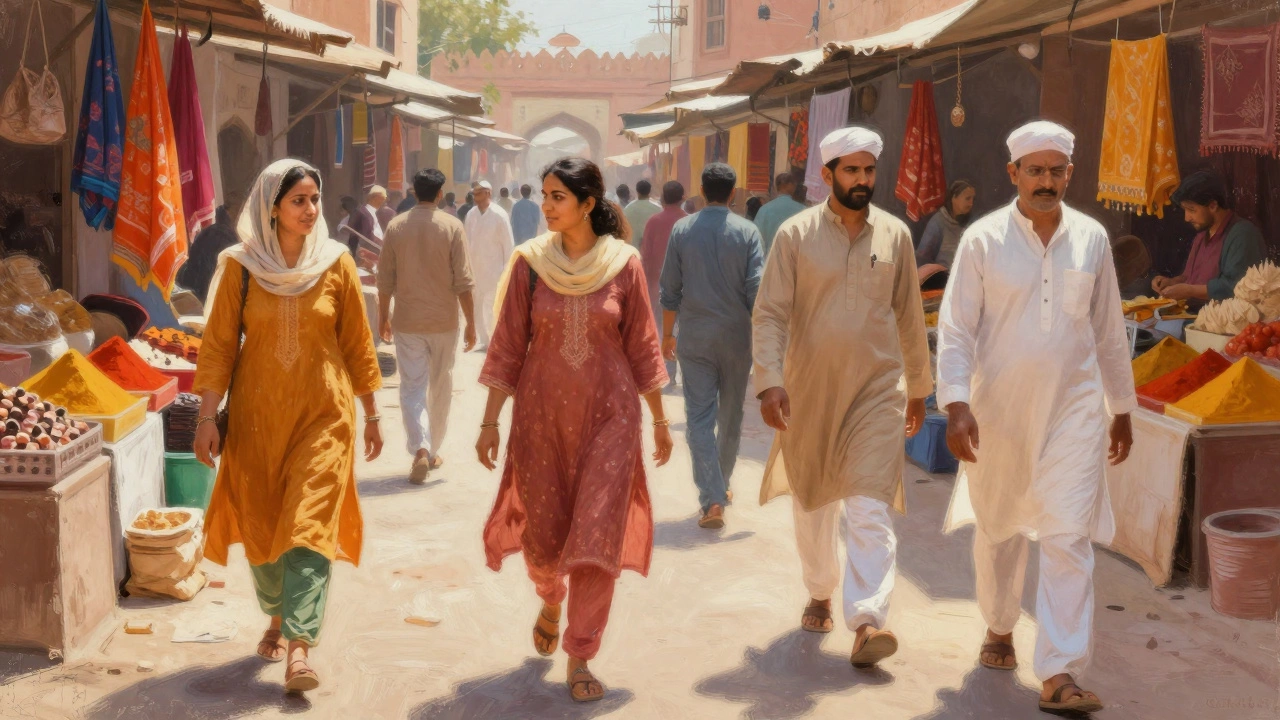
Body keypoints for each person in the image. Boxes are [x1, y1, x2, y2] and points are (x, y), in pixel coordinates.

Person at [936, 120, 1135, 716]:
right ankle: (999, 626)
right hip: (998, 411)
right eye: (1035, 171)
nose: (1045, 182)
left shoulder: (1093, 239)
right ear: (1013, 174)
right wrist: (956, 404)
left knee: (1068, 535)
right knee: (998, 528)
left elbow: (1107, 332)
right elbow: (955, 329)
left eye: (1056, 171)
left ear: (1069, 174)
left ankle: (1059, 670)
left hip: (1074, 411)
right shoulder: (982, 241)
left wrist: (1120, 408)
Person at [474, 157, 670, 703]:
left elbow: (643, 347)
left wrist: (658, 420)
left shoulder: (624, 264)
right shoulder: (530, 265)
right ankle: (549, 597)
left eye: (558, 196)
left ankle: (580, 653)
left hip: (611, 418)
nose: (547, 204)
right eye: (544, 194)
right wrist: (490, 421)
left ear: (588, 204)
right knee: (544, 541)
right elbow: (509, 344)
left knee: (594, 538)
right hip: (541, 421)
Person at [191, 159, 383, 694]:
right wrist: (208, 417)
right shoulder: (240, 267)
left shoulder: (336, 263)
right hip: (256, 421)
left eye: (314, 200)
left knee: (307, 527)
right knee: (263, 523)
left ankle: (299, 647)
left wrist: (372, 413)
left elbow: (357, 345)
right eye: (297, 200)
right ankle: (275, 614)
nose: (309, 209)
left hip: (325, 416)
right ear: (271, 207)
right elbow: (218, 349)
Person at [753, 127, 931, 669]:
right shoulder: (795, 235)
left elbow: (908, 316)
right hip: (808, 390)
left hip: (877, 392)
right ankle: (820, 588)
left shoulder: (895, 235)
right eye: (850, 171)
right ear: (826, 175)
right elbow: (771, 312)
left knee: (869, 504)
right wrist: (769, 379)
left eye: (868, 171)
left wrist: (920, 389)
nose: (861, 180)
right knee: (813, 503)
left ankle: (868, 621)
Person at [660, 165, 763, 529]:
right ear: (733, 193)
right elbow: (756, 291)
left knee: (699, 420)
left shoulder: (682, 230)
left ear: (702, 191)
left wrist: (668, 335)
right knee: (731, 415)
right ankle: (720, 487)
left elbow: (669, 290)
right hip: (737, 339)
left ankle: (713, 498)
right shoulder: (748, 231)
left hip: (696, 339)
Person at [378, 168, 478, 484]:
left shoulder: (395, 227)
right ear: (439, 194)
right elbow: (463, 282)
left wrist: (383, 316)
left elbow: (384, 280)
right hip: (444, 322)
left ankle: (420, 448)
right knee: (441, 384)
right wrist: (472, 322)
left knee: (412, 387)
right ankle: (432, 449)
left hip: (407, 321)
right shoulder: (452, 226)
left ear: (412, 191)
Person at [1153, 170, 1267, 307]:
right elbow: (1189, 277)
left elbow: (1236, 286)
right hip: (1194, 316)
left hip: (1228, 322)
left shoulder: (1243, 234)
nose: (1186, 217)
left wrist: (1189, 291)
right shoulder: (1201, 236)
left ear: (1213, 205)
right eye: (1185, 210)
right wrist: (1172, 282)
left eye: (1192, 210)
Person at [640, 181, 688, 386]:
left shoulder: (654, 221)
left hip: (658, 286)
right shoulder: (689, 221)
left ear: (662, 198)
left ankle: (668, 373)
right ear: (682, 198)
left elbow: (646, 256)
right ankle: (686, 373)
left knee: (662, 330)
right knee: (683, 329)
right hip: (687, 287)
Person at [464, 181, 515, 348]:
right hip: (475, 270)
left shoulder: (499, 214)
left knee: (492, 306)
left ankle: (495, 340)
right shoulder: (471, 214)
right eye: (474, 194)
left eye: (479, 193)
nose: (475, 197)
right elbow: (466, 240)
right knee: (476, 307)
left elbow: (508, 245)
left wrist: (508, 269)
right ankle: (485, 340)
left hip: (495, 270)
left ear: (488, 193)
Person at [177, 191, 245, 303]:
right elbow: (211, 285)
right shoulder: (220, 237)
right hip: (205, 304)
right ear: (234, 211)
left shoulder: (218, 233)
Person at [915, 179, 976, 269]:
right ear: (954, 198)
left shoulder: (972, 223)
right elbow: (921, 258)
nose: (971, 203)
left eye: (972, 199)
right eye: (967, 198)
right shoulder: (937, 222)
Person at [753, 172, 806, 259]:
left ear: (776, 187)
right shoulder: (803, 211)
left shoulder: (765, 210)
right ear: (792, 186)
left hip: (770, 261)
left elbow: (757, 240)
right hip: (795, 263)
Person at [623, 179, 662, 249]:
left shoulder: (628, 209)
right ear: (650, 191)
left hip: (633, 248)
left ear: (637, 191)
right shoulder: (658, 208)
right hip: (652, 249)